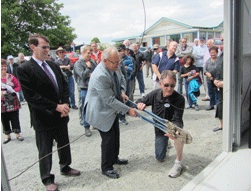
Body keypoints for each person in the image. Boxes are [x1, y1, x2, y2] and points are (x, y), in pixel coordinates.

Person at [17, 33, 80, 191]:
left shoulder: (52, 66)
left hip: (60, 114)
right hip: (43, 117)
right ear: (33, 47)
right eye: (44, 47)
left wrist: (65, 103)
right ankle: (47, 178)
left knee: (64, 144)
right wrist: (55, 106)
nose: (47, 50)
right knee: (45, 149)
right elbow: (32, 97)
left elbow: (64, 86)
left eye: (48, 47)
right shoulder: (24, 69)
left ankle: (65, 167)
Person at [84, 46, 138, 179]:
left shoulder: (114, 65)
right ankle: (106, 167)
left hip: (111, 108)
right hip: (100, 110)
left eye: (119, 61)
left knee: (115, 134)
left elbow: (122, 79)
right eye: (115, 62)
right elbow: (109, 100)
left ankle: (114, 158)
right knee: (108, 139)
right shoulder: (100, 75)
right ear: (105, 61)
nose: (118, 65)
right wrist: (128, 110)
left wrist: (122, 91)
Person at [136, 70, 185, 178]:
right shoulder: (154, 94)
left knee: (179, 134)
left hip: (172, 127)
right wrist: (139, 104)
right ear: (160, 84)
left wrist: (174, 130)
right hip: (159, 130)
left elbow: (177, 119)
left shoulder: (180, 99)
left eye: (172, 86)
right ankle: (166, 144)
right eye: (166, 85)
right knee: (160, 158)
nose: (169, 88)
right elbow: (140, 100)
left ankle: (178, 163)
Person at [73, 45, 96, 137]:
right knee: (85, 107)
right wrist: (88, 69)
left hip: (94, 87)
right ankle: (86, 126)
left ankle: (95, 123)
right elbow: (82, 76)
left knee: (94, 106)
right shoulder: (78, 64)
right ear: (83, 53)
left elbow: (96, 73)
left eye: (91, 53)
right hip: (84, 88)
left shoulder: (92, 62)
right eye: (88, 53)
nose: (90, 55)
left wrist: (90, 72)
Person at [1, 59, 24, 144]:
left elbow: (18, 86)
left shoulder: (11, 77)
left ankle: (18, 134)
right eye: (1, 66)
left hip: (12, 100)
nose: (3, 68)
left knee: (15, 117)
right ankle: (7, 135)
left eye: (4, 66)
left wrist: (13, 91)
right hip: (2, 102)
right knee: (4, 118)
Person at [117, 44, 134, 125]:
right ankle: (119, 116)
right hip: (116, 84)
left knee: (124, 99)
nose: (121, 52)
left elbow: (130, 69)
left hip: (125, 82)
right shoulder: (115, 59)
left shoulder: (128, 59)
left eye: (123, 50)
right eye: (119, 51)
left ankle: (123, 117)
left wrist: (126, 68)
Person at [204, 46, 219, 111]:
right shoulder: (207, 61)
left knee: (217, 93)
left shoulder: (219, 61)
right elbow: (205, 70)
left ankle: (218, 106)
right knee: (211, 93)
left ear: (217, 53)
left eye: (213, 52)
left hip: (217, 80)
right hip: (209, 80)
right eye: (211, 53)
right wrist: (208, 74)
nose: (212, 54)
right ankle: (211, 105)